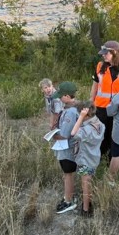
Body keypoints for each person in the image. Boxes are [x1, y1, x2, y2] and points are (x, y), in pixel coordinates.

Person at [90, 41, 119, 159]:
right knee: (100, 135)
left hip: (118, 110)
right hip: (101, 108)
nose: (103, 55)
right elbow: (95, 85)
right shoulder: (100, 66)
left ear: (114, 52)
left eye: (106, 53)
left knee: (114, 136)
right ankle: (99, 158)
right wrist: (91, 101)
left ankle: (111, 160)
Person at [69, 101, 105, 217]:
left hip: (85, 160)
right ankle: (88, 203)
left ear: (86, 115)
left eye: (80, 114)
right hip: (94, 158)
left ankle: (86, 210)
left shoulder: (86, 130)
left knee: (86, 185)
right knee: (88, 182)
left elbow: (73, 133)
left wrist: (81, 117)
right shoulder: (100, 124)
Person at [51, 82, 80, 214]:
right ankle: (68, 195)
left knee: (68, 174)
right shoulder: (74, 107)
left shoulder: (70, 112)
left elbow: (65, 134)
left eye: (61, 96)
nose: (59, 98)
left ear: (67, 96)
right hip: (71, 147)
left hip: (68, 149)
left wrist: (53, 136)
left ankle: (69, 201)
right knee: (68, 174)